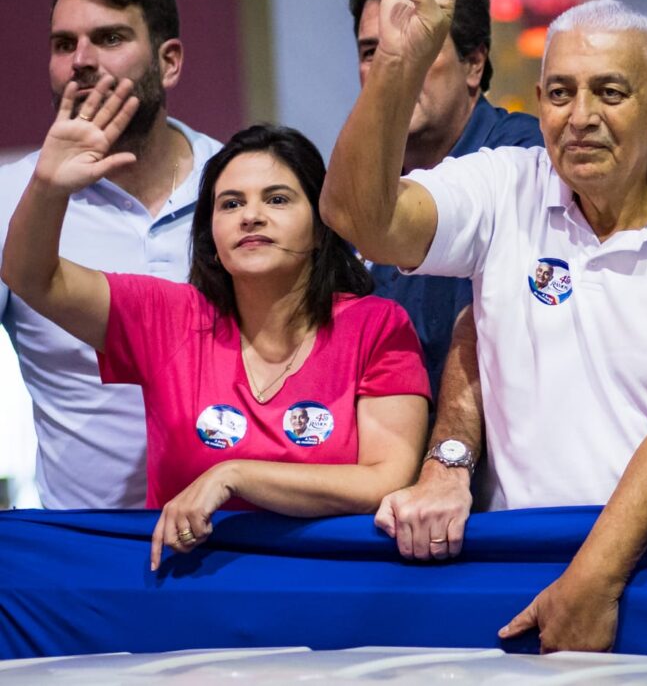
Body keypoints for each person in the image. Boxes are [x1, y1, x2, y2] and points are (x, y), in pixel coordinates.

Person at [321, 0, 647, 653]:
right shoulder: (505, 184)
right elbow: (358, 219)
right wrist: (400, 66)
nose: (581, 117)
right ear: (536, 104)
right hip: (520, 557)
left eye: (610, 92)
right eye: (561, 93)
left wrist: (594, 580)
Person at [1, 83, 430, 570]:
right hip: (188, 593)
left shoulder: (376, 324)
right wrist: (48, 187)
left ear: (320, 225)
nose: (251, 216)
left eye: (277, 199)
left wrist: (235, 475)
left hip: (331, 586)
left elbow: (386, 478)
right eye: (230, 204)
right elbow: (30, 277)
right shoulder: (164, 317)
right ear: (212, 237)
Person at [0, 0, 223, 508]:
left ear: (169, 63)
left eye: (109, 38)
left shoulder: (240, 185)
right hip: (84, 546)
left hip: (237, 535)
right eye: (62, 44)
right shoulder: (11, 198)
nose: (80, 61)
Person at [349, 0, 542, 402]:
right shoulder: (354, 180)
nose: (390, 66)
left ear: (473, 64)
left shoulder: (528, 161)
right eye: (370, 52)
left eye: (418, 43)